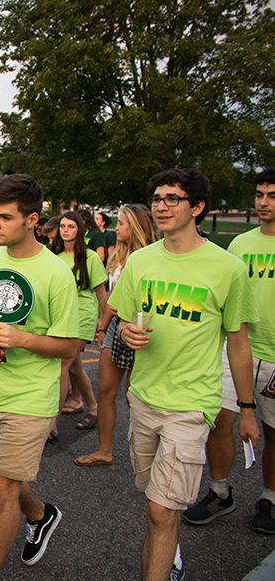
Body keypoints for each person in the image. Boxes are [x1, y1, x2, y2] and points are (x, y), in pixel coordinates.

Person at [110, 168, 259, 581]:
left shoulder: (227, 268)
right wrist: (127, 331)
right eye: (157, 198)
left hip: (192, 405)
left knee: (161, 509)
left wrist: (246, 409)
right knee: (154, 501)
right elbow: (122, 320)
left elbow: (238, 342)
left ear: (197, 207)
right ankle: (169, 550)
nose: (161, 205)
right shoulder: (140, 261)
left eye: (173, 198)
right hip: (142, 399)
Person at [0, 174, 79, 581]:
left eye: (5, 217)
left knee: (3, 491)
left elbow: (70, 346)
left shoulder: (55, 273)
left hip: (29, 396)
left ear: (32, 220)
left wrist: (22, 338)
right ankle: (41, 514)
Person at [182, 167, 275, 534]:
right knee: (220, 421)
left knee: (271, 432)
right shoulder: (240, 245)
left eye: (271, 196)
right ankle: (220, 491)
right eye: (259, 195)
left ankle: (269, 496)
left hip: (273, 355)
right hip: (236, 347)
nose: (263, 202)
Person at [75, 204, 157, 467]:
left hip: (140, 326)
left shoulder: (149, 257)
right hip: (115, 324)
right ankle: (104, 450)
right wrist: (103, 326)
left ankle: (144, 450)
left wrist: (102, 324)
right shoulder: (116, 254)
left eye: (121, 223)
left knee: (136, 394)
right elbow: (111, 297)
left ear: (135, 226)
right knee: (107, 389)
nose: (115, 228)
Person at [48, 211, 107, 438]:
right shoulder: (53, 255)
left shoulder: (90, 257)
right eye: (62, 226)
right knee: (74, 366)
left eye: (71, 226)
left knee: (62, 366)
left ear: (79, 230)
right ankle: (93, 407)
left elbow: (102, 294)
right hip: (60, 314)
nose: (65, 230)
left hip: (82, 315)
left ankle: (52, 424)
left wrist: (104, 324)